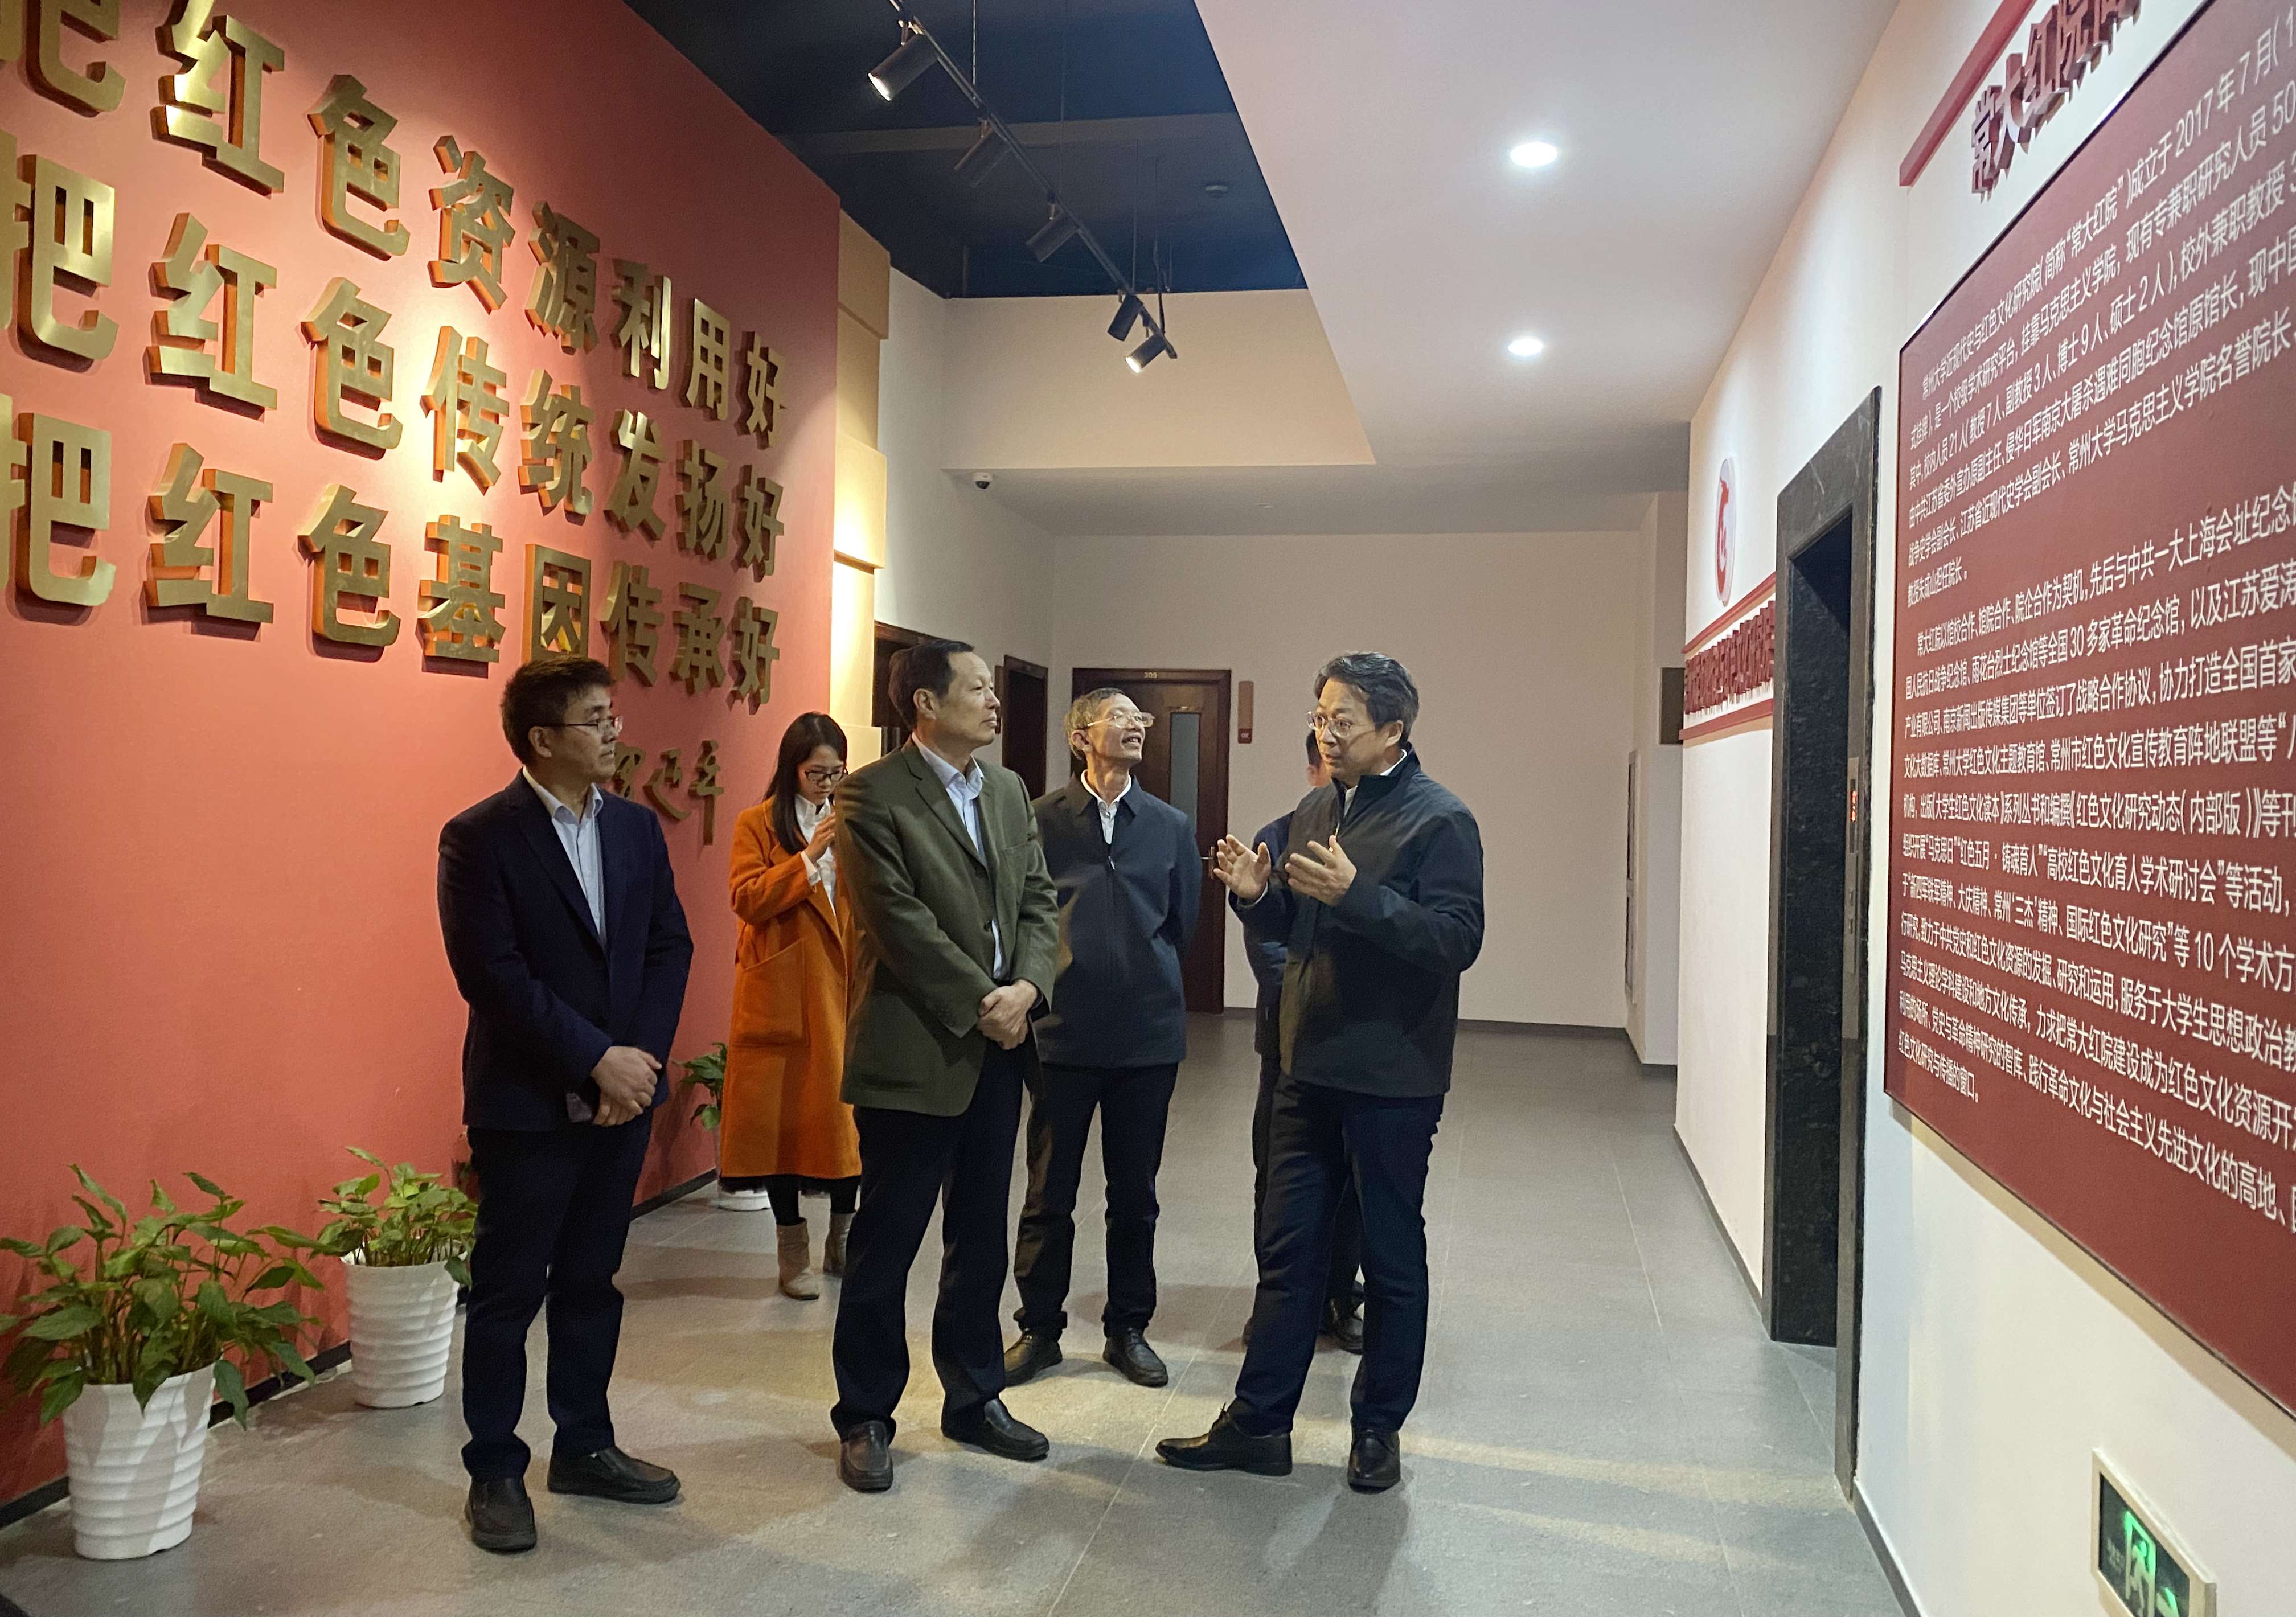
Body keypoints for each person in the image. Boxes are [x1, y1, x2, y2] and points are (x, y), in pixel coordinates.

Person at [1157, 652, 1483, 1495]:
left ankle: (1377, 1430)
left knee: (1390, 1257)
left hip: (1392, 1078)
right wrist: (1257, 895)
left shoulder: (1441, 820)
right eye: (1320, 717)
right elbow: (1297, 929)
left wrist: (1358, 895)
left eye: (1343, 720)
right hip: (1304, 1067)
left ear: (1394, 730)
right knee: (1290, 1251)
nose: (1326, 734)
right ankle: (1260, 1423)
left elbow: (1457, 940)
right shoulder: (1314, 808)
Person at [437, 655, 695, 1553]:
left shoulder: (634, 828)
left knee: (591, 1281)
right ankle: (495, 1472)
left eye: (613, 715)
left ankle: (584, 1445)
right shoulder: (480, 837)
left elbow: (669, 945)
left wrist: (640, 1063)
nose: (615, 731)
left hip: (624, 1098)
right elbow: (492, 975)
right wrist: (595, 1060)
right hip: (528, 1103)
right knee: (509, 1293)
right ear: (543, 739)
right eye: (596, 719)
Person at [827, 641, 1060, 1493]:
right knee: (887, 1239)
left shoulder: (1007, 791)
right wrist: (983, 999)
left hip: (1001, 1046)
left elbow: (1039, 899)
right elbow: (897, 921)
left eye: (996, 687)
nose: (994, 701)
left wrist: (1028, 986)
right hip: (916, 1048)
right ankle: (865, 1414)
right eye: (978, 688)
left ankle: (974, 1396)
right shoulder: (871, 794)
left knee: (980, 1234)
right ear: (925, 703)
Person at [1004, 690, 1200, 1391]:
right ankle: (1039, 1327)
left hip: (1147, 1035)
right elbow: (1023, 911)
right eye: (1119, 716)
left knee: (1135, 1193)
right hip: (1062, 1032)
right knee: (1048, 1189)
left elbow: (1182, 920)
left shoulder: (1170, 824)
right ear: (1081, 736)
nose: (1136, 725)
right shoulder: (1041, 819)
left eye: (1139, 718)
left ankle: (1128, 1327)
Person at [719, 712, 862, 1299]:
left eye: (836, 772)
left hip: (844, 982)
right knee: (782, 1126)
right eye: (815, 773)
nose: (826, 783)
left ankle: (844, 1240)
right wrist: (808, 859)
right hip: (783, 987)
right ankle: (792, 1252)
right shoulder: (756, 822)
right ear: (791, 769)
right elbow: (746, 897)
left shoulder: (855, 819)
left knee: (847, 1123)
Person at [1243, 730, 1363, 1355]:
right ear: (1314, 767)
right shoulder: (1279, 834)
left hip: (1356, 1041)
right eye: (1328, 762)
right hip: (1289, 1038)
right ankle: (1279, 1300)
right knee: (1280, 1176)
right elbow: (1268, 941)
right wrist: (1308, 991)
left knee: (1352, 1180)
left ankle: (1340, 1294)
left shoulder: (1370, 838)